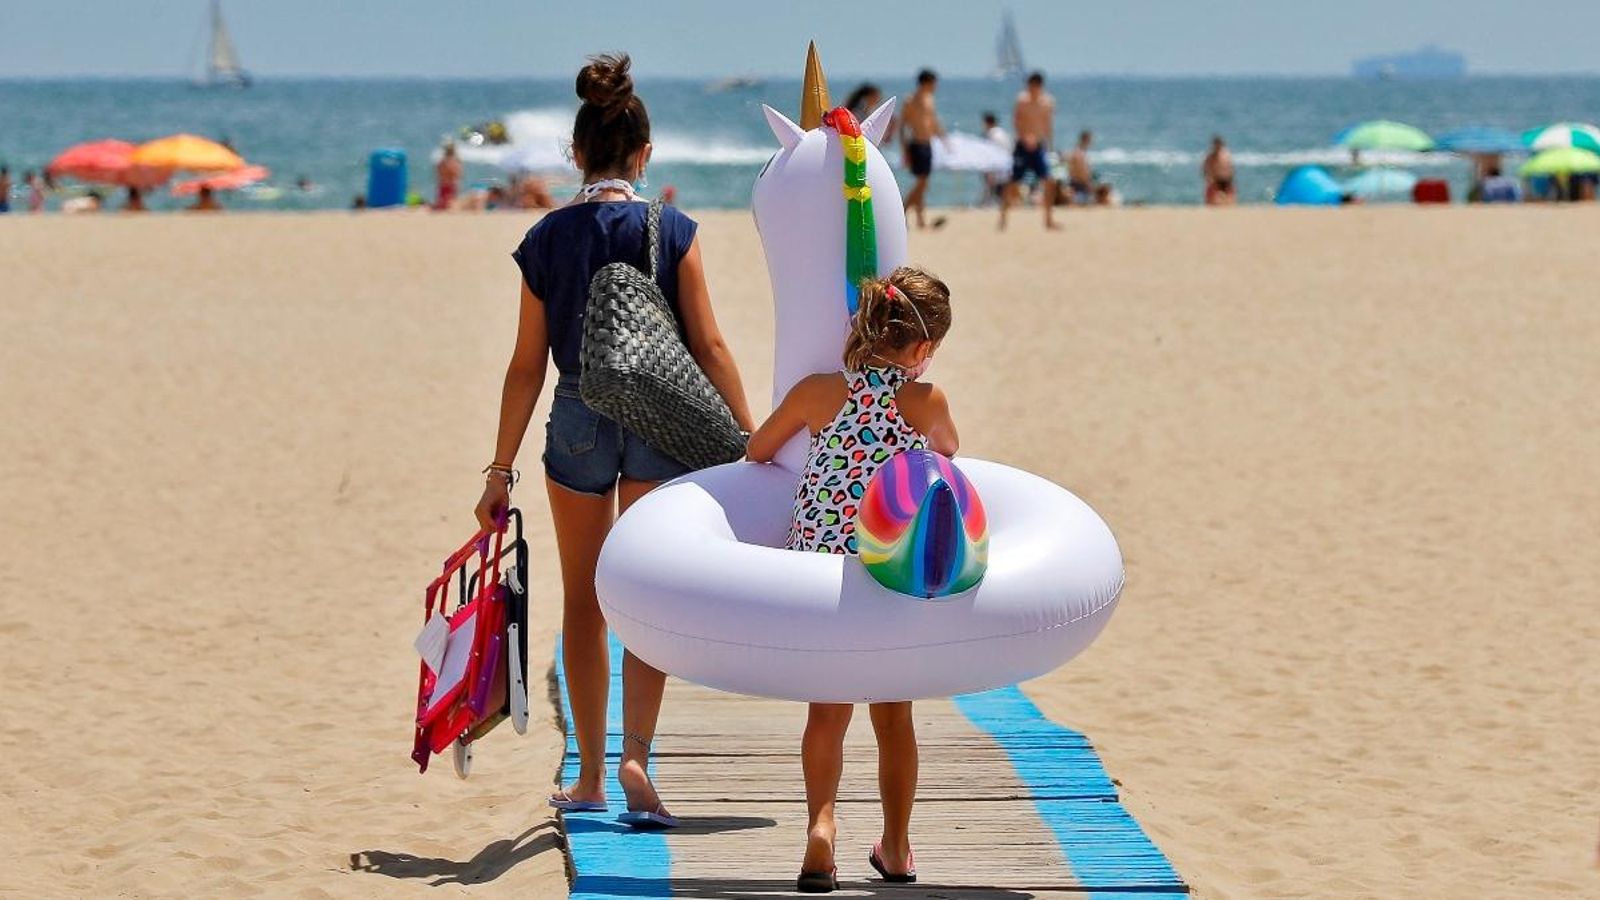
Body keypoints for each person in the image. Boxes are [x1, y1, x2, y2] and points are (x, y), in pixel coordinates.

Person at [475, 53, 755, 825]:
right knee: (648, 598)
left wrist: (500, 469)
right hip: (663, 415)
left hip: (577, 416)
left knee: (586, 600)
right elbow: (711, 346)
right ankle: (638, 756)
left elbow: (526, 365)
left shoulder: (546, 238)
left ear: (575, 153)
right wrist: (749, 431)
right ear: (645, 154)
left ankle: (592, 777)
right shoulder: (674, 227)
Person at [746, 267, 957, 893]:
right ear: (921, 349)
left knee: (827, 713)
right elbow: (949, 452)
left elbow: (759, 449)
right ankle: (894, 847)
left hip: (818, 577)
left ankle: (821, 827)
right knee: (894, 719)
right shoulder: (924, 401)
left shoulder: (818, 392)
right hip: (884, 571)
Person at [1000, 72, 1060, 230]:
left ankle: (1048, 220)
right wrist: (1025, 138)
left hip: (1039, 146)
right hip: (1022, 146)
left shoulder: (1048, 102)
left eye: (1034, 85)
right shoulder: (1022, 100)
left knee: (1049, 181)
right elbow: (1016, 122)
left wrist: (1050, 145)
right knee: (1013, 183)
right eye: (1029, 85)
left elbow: (1048, 125)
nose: (1031, 88)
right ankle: (1003, 219)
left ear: (1039, 86)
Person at [897, 69, 944, 230]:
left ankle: (920, 220)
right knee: (922, 182)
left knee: (923, 183)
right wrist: (904, 149)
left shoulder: (930, 99)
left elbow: (933, 121)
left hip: (928, 143)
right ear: (926, 82)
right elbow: (902, 125)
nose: (935, 86)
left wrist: (944, 138)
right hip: (916, 144)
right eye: (934, 83)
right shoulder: (910, 100)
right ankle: (902, 211)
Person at [979, 112, 1009, 207]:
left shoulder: (991, 134)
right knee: (1001, 192)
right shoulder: (1003, 133)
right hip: (1005, 167)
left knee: (992, 190)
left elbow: (990, 153)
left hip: (995, 168)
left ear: (986, 123)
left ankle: (986, 205)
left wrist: (989, 170)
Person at [1202, 135, 1236, 205]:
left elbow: (1230, 166)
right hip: (1217, 178)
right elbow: (1205, 166)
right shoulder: (1213, 155)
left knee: (1229, 195)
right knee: (1212, 196)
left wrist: (1231, 175)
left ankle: (1227, 205)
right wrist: (1207, 176)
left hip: (1225, 177)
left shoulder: (1225, 154)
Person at [1066, 130, 1095, 205]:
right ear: (1087, 140)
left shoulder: (1076, 152)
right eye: (1091, 140)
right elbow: (1082, 172)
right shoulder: (1080, 154)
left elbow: (1071, 171)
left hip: (1075, 184)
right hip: (1080, 186)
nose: (1092, 142)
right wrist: (1088, 184)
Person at [435, 143, 462, 211]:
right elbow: (458, 174)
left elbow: (439, 172)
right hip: (452, 184)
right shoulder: (456, 162)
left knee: (443, 204)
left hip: (444, 184)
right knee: (450, 204)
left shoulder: (442, 162)